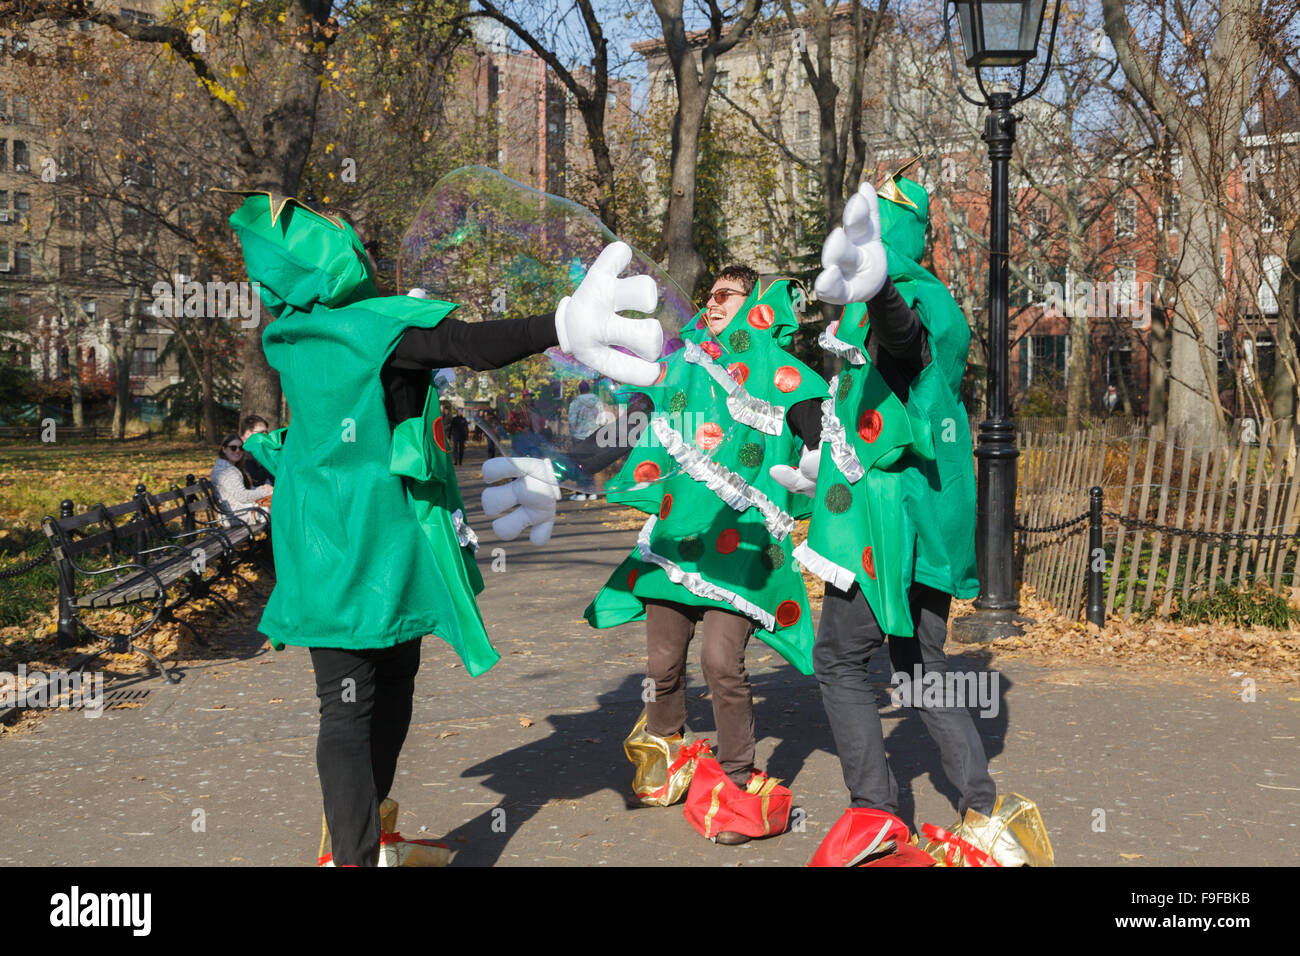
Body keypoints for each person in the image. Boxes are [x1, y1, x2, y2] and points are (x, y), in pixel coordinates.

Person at [230, 192, 663, 867]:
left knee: (379, 682)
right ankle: (352, 855)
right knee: (354, 702)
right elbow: (465, 343)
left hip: (331, 541)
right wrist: (558, 323)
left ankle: (363, 841)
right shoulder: (369, 325)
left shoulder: (289, 335)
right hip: (366, 539)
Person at [771, 167, 996, 863]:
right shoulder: (937, 299)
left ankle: (874, 810)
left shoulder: (905, 299)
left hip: (886, 528)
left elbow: (906, 347)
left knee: (837, 659)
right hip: (928, 519)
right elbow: (880, 399)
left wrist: (881, 288)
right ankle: (983, 809)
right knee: (922, 666)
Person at [586, 264, 829, 844]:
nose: (713, 304)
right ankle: (670, 752)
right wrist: (556, 469)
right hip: (679, 541)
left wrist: (822, 457)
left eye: (727, 296)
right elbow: (625, 419)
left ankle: (739, 781)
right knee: (662, 667)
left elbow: (819, 429)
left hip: (742, 554)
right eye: (710, 295)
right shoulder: (687, 364)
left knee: (722, 663)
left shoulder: (789, 376)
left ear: (759, 305)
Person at [210, 432, 273, 528]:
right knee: (281, 510)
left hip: (237, 512)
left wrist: (262, 488)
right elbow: (242, 496)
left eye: (241, 448)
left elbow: (240, 493)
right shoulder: (227, 471)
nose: (237, 451)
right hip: (235, 516)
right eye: (233, 448)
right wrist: (265, 492)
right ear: (224, 449)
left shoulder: (225, 466)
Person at [239, 414, 275, 487]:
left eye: (266, 432)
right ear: (247, 434)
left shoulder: (262, 450)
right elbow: (257, 480)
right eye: (261, 432)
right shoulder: (239, 452)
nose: (265, 436)